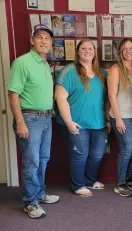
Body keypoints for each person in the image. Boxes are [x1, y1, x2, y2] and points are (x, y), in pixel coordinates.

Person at [7, 24, 59, 219]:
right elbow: (13, 94)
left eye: (47, 38)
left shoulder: (45, 63)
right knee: (32, 161)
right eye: (40, 37)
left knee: (43, 159)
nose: (44, 41)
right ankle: (30, 202)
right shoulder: (22, 62)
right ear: (32, 40)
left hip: (46, 117)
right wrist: (20, 122)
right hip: (29, 118)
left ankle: (39, 193)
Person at [55, 39, 110, 197]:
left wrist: (107, 120)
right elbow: (60, 97)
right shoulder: (68, 71)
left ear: (95, 51)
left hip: (98, 123)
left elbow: (107, 99)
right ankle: (77, 185)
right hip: (76, 123)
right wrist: (69, 123)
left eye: (90, 48)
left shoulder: (102, 73)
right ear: (78, 51)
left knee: (98, 154)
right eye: (83, 48)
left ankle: (90, 180)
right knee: (80, 154)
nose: (87, 51)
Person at [108, 38, 132, 197]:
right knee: (126, 149)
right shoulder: (115, 69)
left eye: (131, 48)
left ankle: (128, 179)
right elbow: (111, 96)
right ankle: (120, 183)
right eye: (125, 49)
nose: (129, 51)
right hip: (122, 117)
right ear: (120, 52)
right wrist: (119, 118)